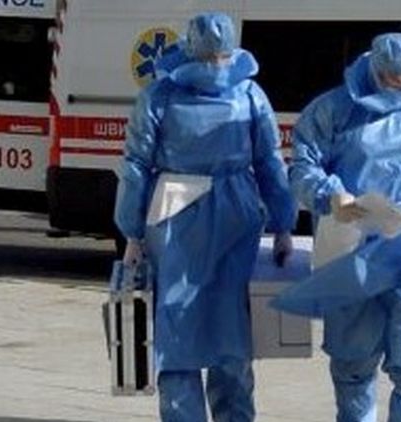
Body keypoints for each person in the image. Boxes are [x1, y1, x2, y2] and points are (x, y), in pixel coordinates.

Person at [276, 33, 401, 421]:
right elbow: (302, 168)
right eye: (394, 83)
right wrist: (330, 194)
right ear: (375, 72)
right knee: (353, 361)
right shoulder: (332, 110)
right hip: (354, 250)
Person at [114, 12, 296, 422]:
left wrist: (132, 233)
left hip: (175, 210)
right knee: (232, 327)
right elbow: (270, 162)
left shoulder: (160, 96)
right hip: (237, 208)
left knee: (176, 325)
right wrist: (284, 224)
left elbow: (136, 165)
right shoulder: (249, 94)